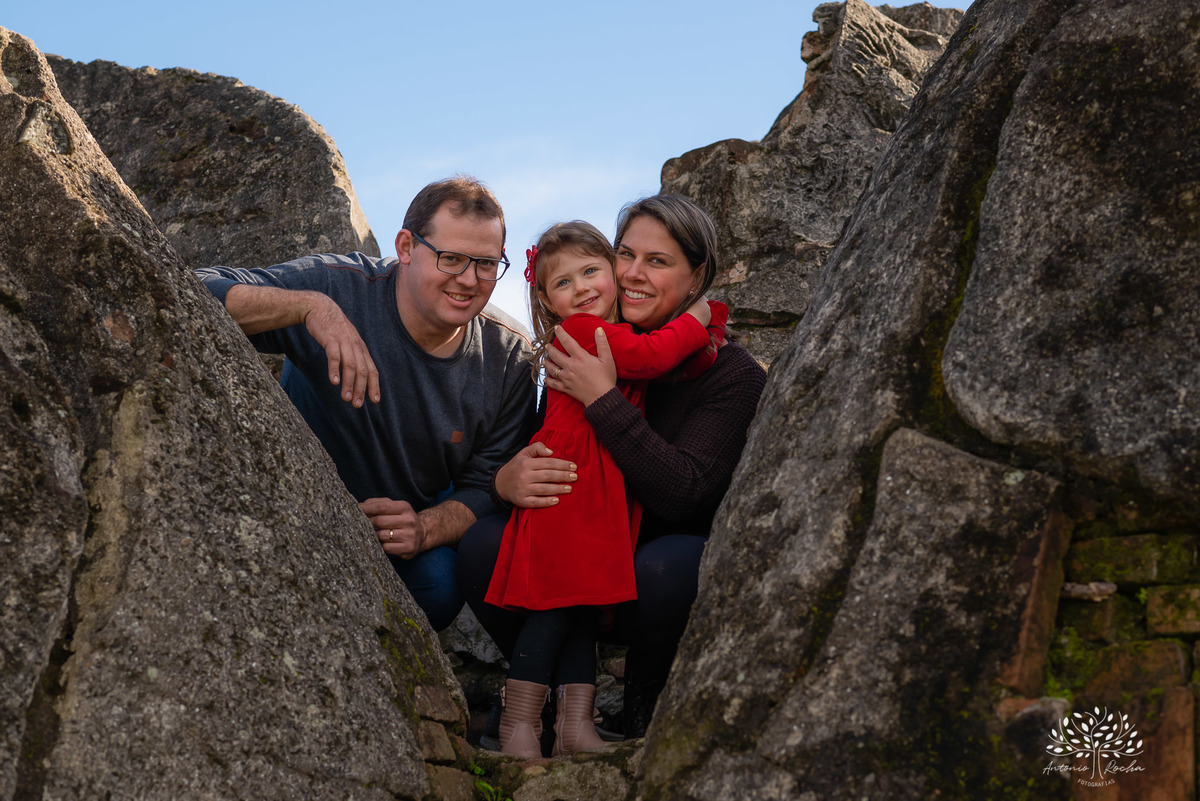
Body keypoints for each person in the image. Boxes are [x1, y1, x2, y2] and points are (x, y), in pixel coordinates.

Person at [459, 194, 767, 741]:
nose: (633, 274)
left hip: (655, 573)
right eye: (626, 254)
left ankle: (642, 700)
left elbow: (684, 494)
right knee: (485, 543)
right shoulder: (587, 340)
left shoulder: (732, 374)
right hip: (587, 538)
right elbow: (549, 443)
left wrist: (604, 399)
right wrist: (507, 482)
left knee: (667, 567)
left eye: (658, 261)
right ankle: (554, 709)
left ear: (696, 280)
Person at [196, 177, 536, 631]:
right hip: (295, 507)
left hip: (395, 532)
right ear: (406, 247)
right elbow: (196, 286)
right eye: (451, 259)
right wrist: (309, 308)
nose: (469, 280)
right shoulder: (340, 288)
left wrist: (424, 527)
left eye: (487, 264)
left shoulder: (510, 356)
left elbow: (489, 483)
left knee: (439, 586)